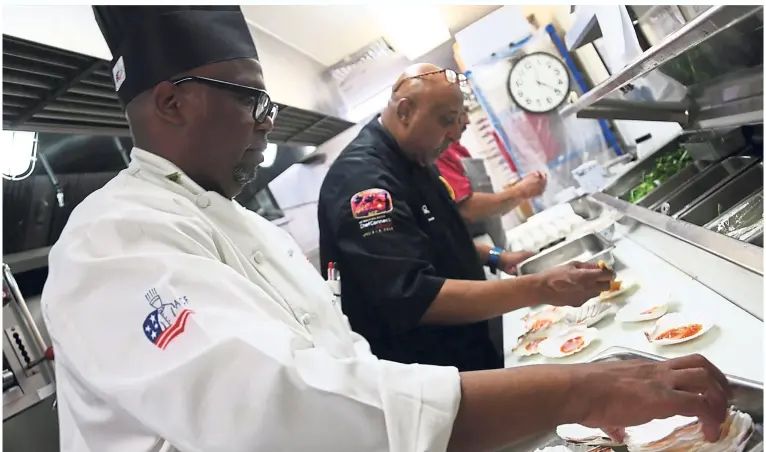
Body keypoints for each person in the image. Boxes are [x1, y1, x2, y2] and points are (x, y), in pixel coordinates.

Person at [41, 6, 730, 452]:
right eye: (256, 100)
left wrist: (542, 396)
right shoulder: (115, 241)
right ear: (171, 102)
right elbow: (280, 414)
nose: (267, 124)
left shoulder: (246, 226)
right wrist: (577, 386)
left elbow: (348, 368)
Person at [318, 64, 610, 371]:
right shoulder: (364, 183)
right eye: (446, 121)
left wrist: (498, 257)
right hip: (428, 370)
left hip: (466, 346)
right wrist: (542, 287)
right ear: (405, 111)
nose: (455, 135)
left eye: (459, 122)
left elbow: (436, 240)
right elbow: (415, 295)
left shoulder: (414, 157)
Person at [436, 114, 547, 226]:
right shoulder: (439, 154)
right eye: (461, 113)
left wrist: (523, 193)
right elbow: (468, 210)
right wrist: (521, 191)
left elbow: (488, 211)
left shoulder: (456, 149)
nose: (467, 121)